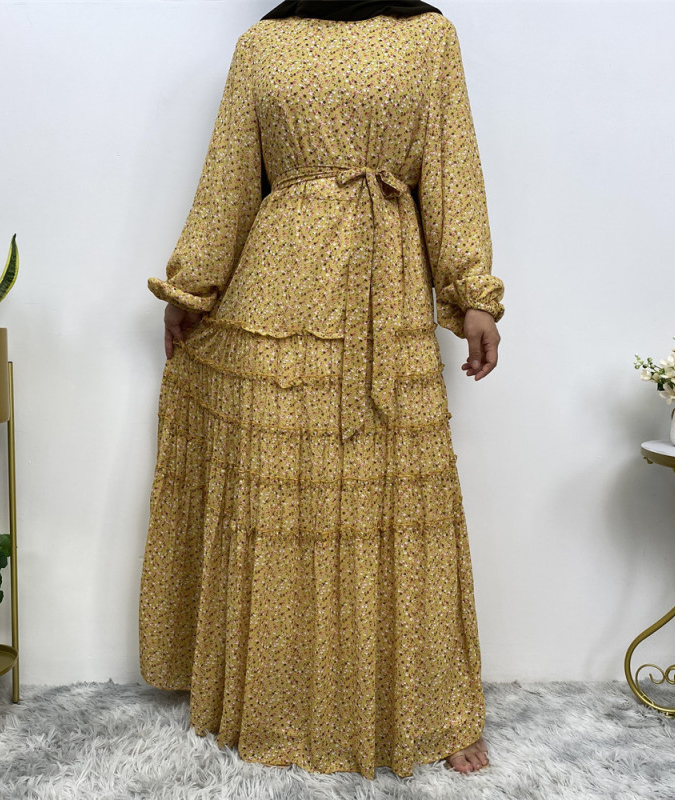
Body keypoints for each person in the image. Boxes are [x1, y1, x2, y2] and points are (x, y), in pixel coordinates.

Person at [139, 0, 504, 779]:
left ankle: (432, 710)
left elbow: (452, 168)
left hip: (386, 298)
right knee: (285, 506)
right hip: (276, 305)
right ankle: (278, 706)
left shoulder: (429, 37)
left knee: (398, 503)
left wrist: (474, 292)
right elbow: (230, 179)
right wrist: (191, 289)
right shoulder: (261, 44)